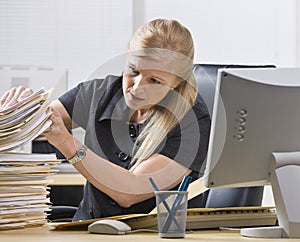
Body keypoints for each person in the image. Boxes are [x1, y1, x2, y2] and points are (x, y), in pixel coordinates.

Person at [0, 19, 211, 221]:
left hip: (152, 234)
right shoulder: (97, 92)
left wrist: (65, 142)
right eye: (133, 71)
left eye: (154, 80)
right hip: (90, 229)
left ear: (177, 82)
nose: (136, 87)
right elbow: (42, 121)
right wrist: (21, 111)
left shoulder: (193, 121)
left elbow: (129, 192)